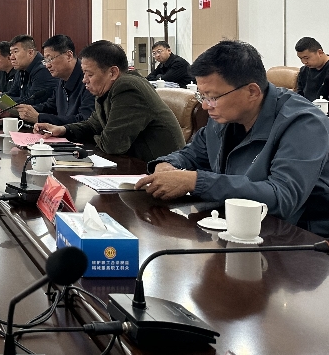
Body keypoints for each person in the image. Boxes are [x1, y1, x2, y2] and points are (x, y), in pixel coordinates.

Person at [136, 40, 329, 237]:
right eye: (202, 96)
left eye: (212, 97)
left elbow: (282, 198)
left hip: (301, 238)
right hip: (237, 226)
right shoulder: (225, 116)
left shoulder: (304, 124)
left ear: (252, 91)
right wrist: (168, 164)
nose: (205, 106)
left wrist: (197, 182)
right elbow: (193, 153)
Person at [36, 40, 185, 163]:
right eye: (84, 73)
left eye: (89, 74)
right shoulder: (107, 88)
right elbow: (93, 125)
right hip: (132, 163)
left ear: (112, 72)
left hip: (158, 170)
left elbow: (113, 145)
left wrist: (98, 135)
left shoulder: (127, 87)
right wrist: (62, 130)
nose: (84, 80)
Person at [17, 34, 95, 126]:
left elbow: (84, 120)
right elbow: (51, 107)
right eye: (45, 61)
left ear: (69, 56)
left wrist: (39, 118)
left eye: (50, 59)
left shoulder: (89, 80)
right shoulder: (62, 79)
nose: (47, 65)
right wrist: (21, 111)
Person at [6, 35, 57, 106]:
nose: (12, 57)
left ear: (30, 53)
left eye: (15, 52)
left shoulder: (43, 70)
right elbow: (12, 93)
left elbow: (31, 101)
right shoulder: (21, 69)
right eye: (11, 53)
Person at [294, 36, 329, 101]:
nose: (304, 62)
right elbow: (299, 97)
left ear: (320, 53)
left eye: (306, 58)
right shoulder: (304, 71)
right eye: (301, 58)